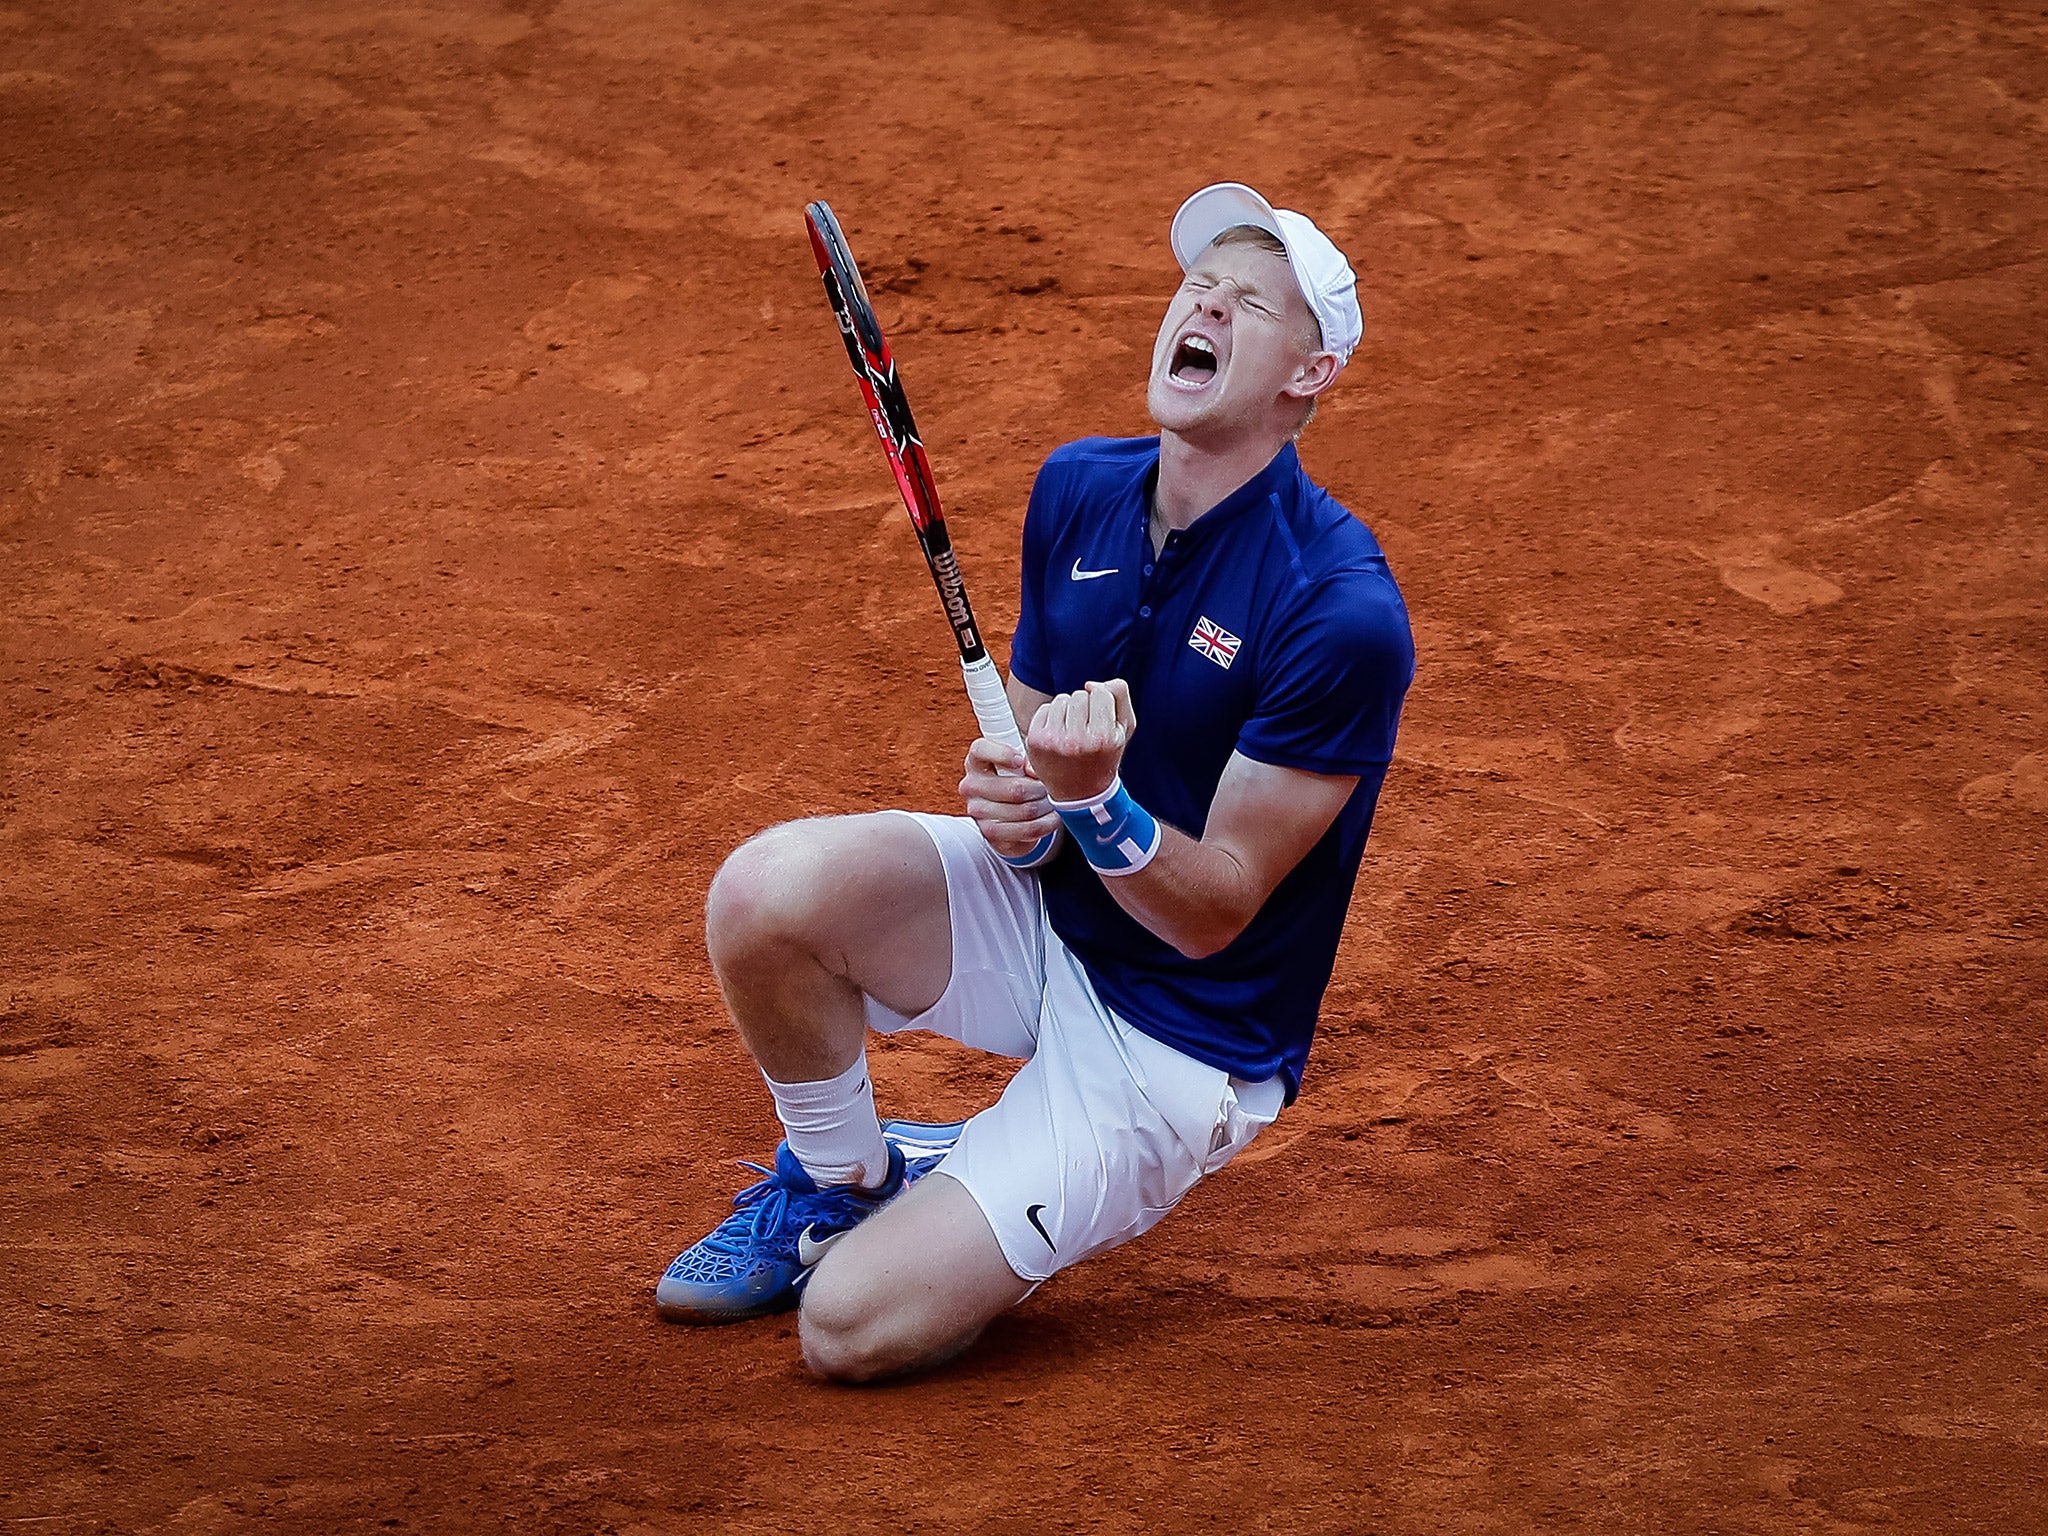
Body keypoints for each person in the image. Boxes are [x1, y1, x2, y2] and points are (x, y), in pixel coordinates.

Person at [655, 182, 1415, 1382]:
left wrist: (1095, 802)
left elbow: (1216, 909)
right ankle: (844, 1182)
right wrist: (1016, 803)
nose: (1202, 301)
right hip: (1055, 915)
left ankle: (975, 1188)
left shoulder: (1339, 609)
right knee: (765, 898)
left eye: (1246, 299)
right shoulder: (1078, 489)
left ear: (1307, 374)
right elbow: (1029, 737)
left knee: (845, 1331)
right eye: (1195, 282)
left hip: (1176, 1038)